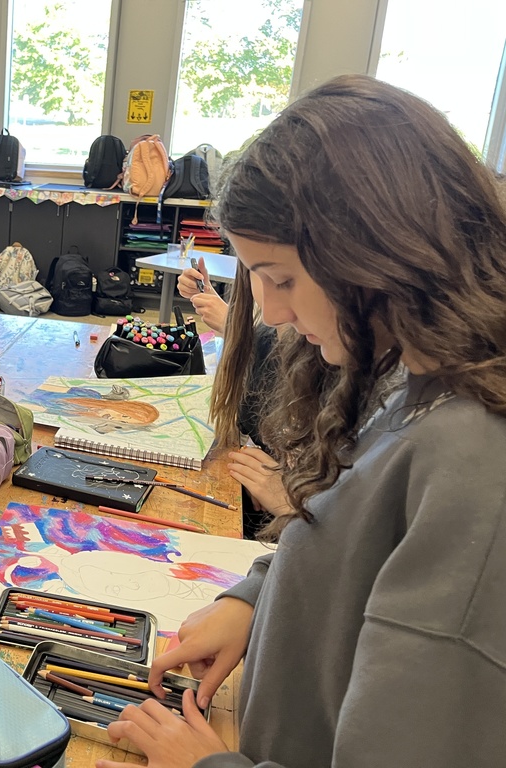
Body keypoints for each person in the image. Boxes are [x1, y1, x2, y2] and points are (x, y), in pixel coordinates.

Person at [98, 74, 506, 768]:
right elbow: (359, 542)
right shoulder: (412, 371)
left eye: (282, 278)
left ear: (377, 251)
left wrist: (205, 767)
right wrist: (257, 601)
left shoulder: (475, 464)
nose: (275, 313)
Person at [177, 260, 287, 532]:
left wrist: (290, 502)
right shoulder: (271, 338)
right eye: (257, 273)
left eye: (287, 281)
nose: (272, 312)